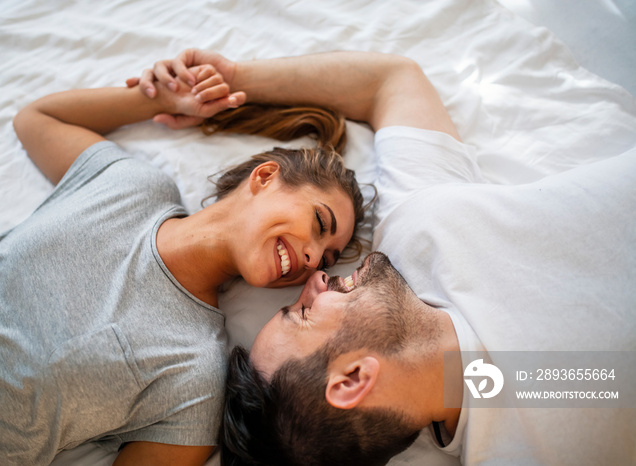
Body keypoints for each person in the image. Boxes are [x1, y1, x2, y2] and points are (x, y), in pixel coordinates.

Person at [137, 50, 636, 465]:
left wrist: (226, 83)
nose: (315, 276)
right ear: (354, 379)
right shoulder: (532, 407)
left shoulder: (409, 238)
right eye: (304, 310)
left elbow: (391, 81)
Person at [0, 63, 367, 465]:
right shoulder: (131, 186)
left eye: (326, 258)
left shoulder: (195, 376)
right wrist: (160, 101)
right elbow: (35, 118)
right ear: (265, 177)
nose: (312, 258)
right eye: (319, 222)